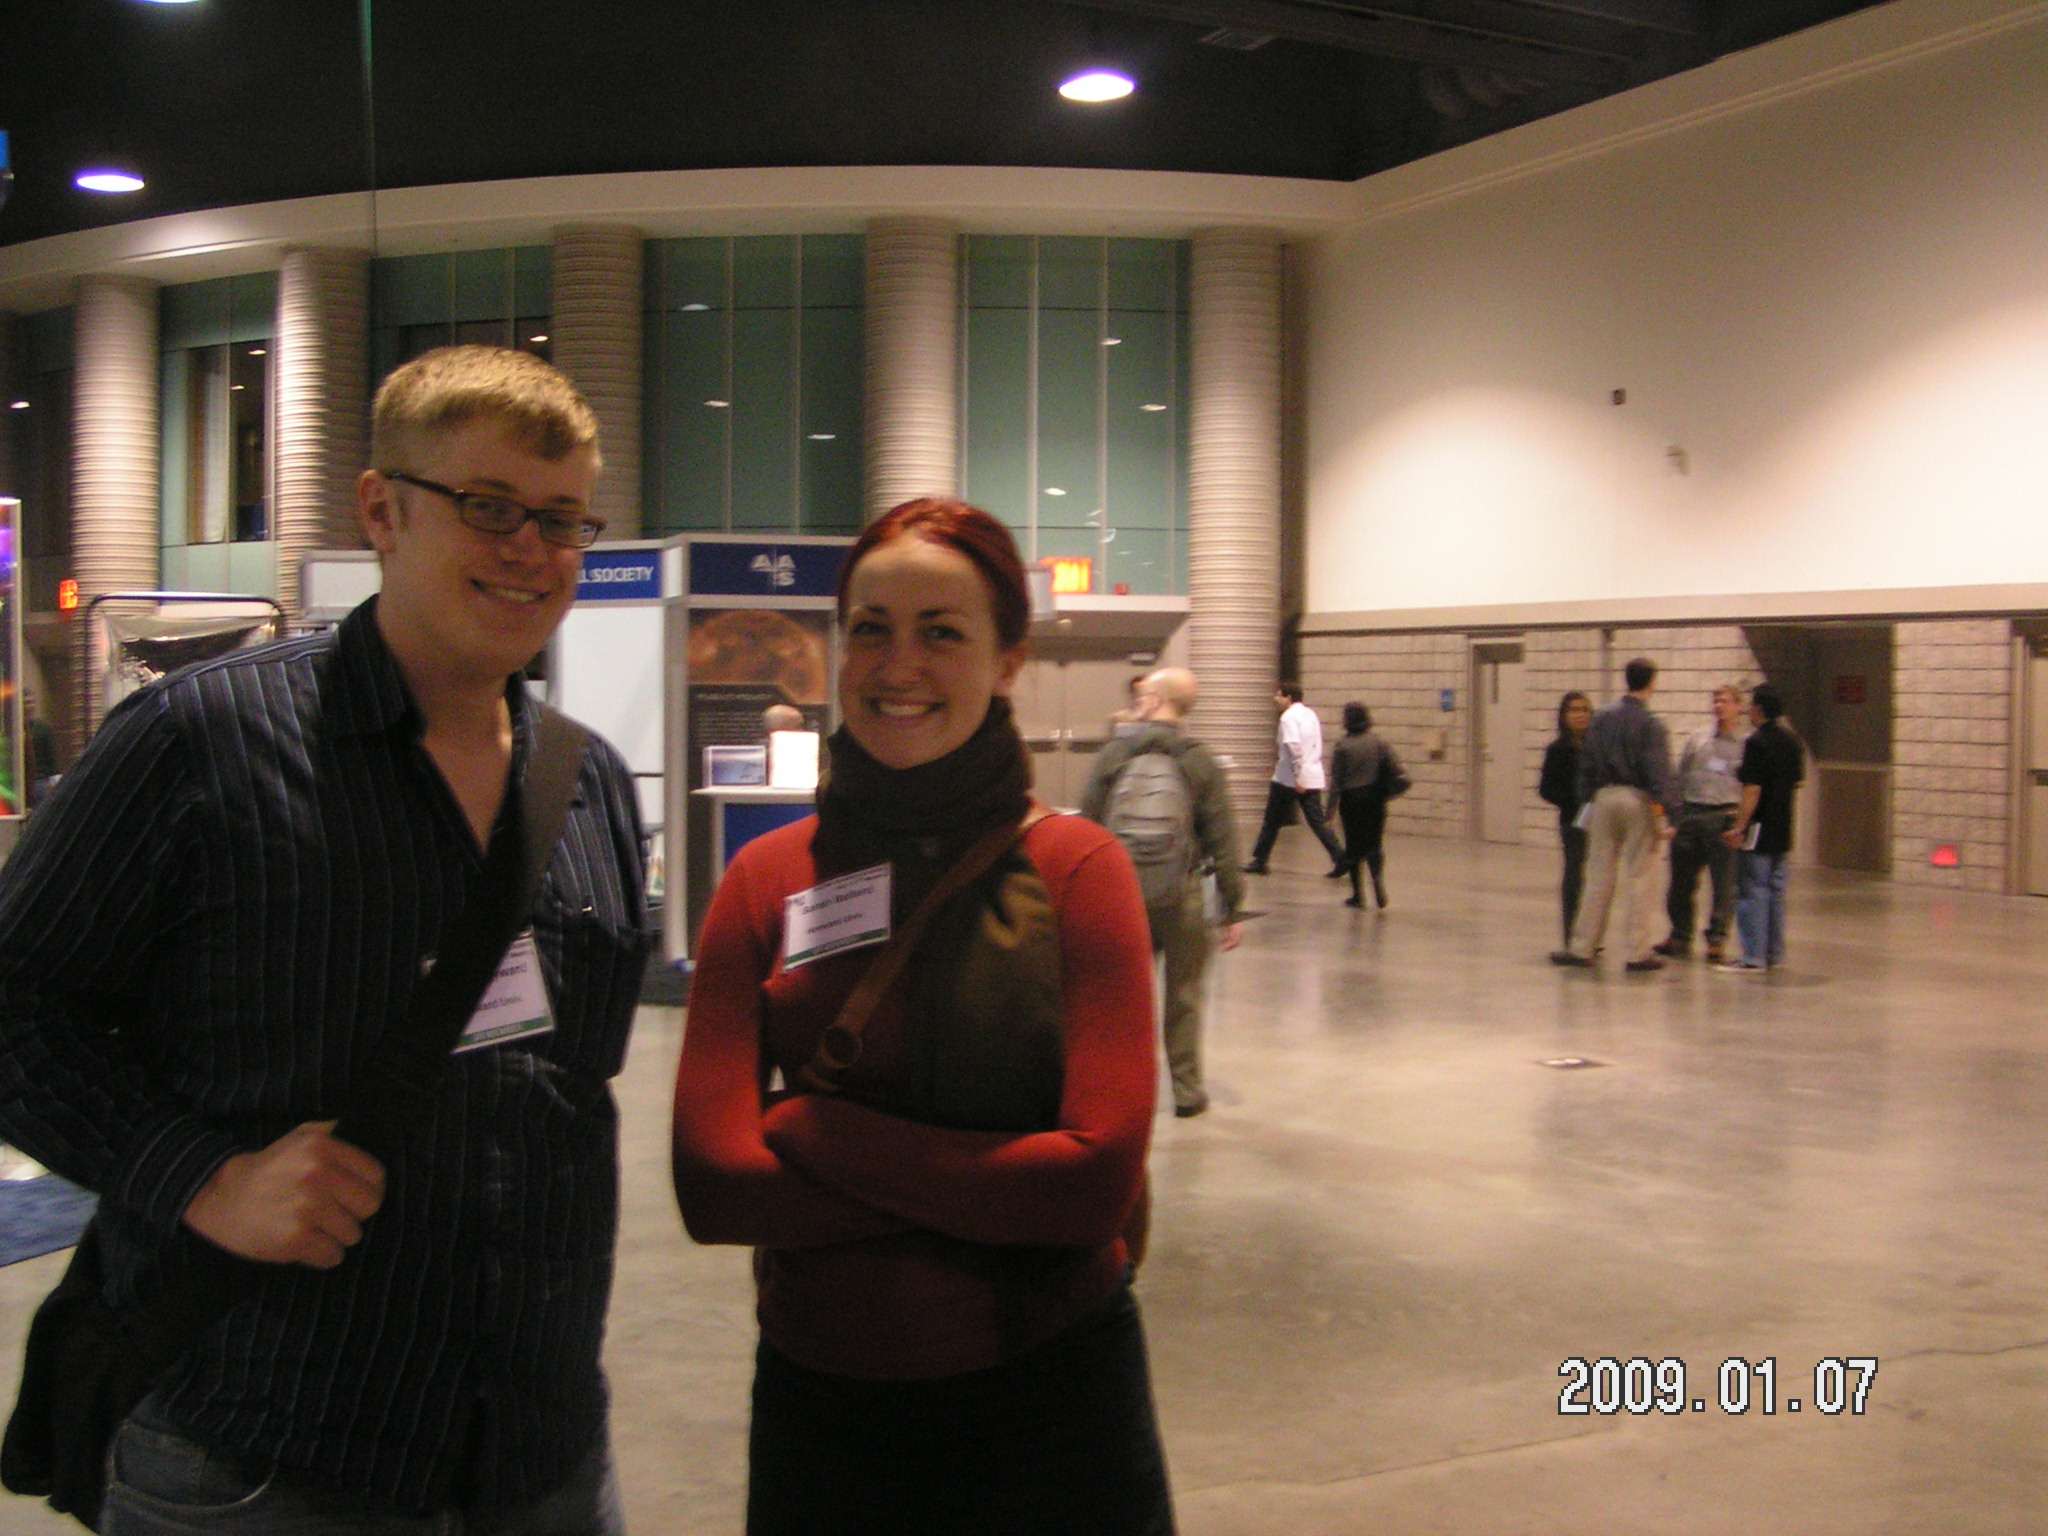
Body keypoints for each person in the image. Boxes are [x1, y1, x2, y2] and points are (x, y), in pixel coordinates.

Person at [0, 345, 649, 1533]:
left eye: (562, 520)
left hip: (538, 1455)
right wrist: (201, 1178)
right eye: (489, 506)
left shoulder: (590, 785)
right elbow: (14, 1007)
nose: (531, 549)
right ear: (382, 511)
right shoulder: (201, 745)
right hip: (263, 1456)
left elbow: (571, 1090)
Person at [672, 498, 1174, 1535]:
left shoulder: (1080, 874)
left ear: (1007, 661)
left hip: (1051, 1406)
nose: (898, 666)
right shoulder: (764, 879)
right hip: (823, 1410)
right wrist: (999, 1194)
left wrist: (816, 1131)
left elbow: (1090, 1189)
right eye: (871, 629)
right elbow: (714, 1187)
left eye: (941, 632)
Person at [1080, 665, 1246, 1118]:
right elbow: (1223, 838)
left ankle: (1119, 1092)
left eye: (1144, 695)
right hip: (1183, 897)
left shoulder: (1115, 755)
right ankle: (1187, 1093)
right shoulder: (1199, 761)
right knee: (1185, 996)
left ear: (1155, 700)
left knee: (1123, 998)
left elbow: (1088, 827)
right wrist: (1232, 906)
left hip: (1122, 898)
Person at [1550, 658, 1674, 973]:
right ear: (1651, 683)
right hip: (1637, 799)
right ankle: (1637, 952)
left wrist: (1586, 801)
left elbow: (1587, 764)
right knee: (1640, 877)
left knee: (1597, 875)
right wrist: (1670, 812)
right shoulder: (1652, 724)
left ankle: (1582, 946)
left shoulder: (1602, 717)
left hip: (1604, 798)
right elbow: (1658, 772)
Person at [1655, 685, 1747, 962]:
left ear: (1738, 707)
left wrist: (1741, 823)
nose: (1719, 705)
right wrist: (1675, 815)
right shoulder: (1697, 739)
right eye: (1716, 700)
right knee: (1681, 882)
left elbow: (1750, 786)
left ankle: (1717, 939)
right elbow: (1679, 777)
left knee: (1723, 885)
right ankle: (1680, 935)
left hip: (1724, 816)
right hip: (1692, 814)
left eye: (1725, 701)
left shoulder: (1744, 745)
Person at [1721, 682, 1805, 972]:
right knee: (1775, 891)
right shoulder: (1793, 741)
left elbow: (1752, 789)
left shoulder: (1756, 742)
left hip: (1758, 828)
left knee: (1752, 890)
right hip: (1783, 827)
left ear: (1758, 708)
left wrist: (1739, 827)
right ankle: (1774, 953)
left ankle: (1753, 956)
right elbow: (1799, 781)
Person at [1242, 683, 1345, 877]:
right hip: (1312, 776)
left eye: (1278, 695)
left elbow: (1294, 748)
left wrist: (1298, 776)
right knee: (1317, 821)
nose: (1275, 699)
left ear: (1288, 698)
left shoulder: (1288, 717)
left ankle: (1260, 861)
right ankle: (1340, 857)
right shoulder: (1310, 714)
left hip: (1288, 779)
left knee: (1271, 820)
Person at [1327, 702, 1407, 909]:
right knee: (1374, 844)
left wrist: (1330, 811)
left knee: (1353, 847)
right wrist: (1388, 795)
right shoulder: (1379, 743)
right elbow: (1398, 772)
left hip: (1351, 801)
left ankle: (1358, 895)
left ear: (1348, 720)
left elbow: (1336, 781)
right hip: (1374, 800)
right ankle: (1377, 881)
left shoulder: (1343, 746)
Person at [1539, 692, 1593, 948]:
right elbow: (1546, 788)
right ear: (1564, 716)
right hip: (1573, 819)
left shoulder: (1597, 747)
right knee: (1574, 875)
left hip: (1599, 817)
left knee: (1597, 878)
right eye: (1574, 710)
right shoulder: (1557, 750)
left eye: (1584, 709)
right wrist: (1571, 800)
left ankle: (1592, 934)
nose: (1580, 715)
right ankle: (1572, 934)